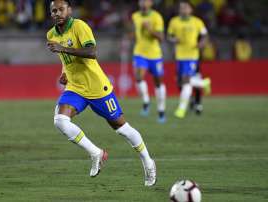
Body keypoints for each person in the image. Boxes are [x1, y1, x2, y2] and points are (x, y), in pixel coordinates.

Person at [46, 0, 156, 186]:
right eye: (53, 11)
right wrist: (64, 73)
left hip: (97, 88)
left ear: (69, 10)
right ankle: (95, 153)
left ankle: (148, 161)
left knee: (123, 129)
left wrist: (64, 48)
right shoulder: (51, 34)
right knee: (60, 121)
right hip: (75, 87)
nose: (57, 13)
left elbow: (92, 52)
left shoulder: (80, 26)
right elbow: (65, 60)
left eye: (61, 9)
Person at [167, 0, 211, 119]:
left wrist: (202, 43)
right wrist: (173, 40)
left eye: (186, 7)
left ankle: (181, 109)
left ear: (191, 10)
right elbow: (169, 36)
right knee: (180, 82)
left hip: (192, 55)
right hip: (179, 56)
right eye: (181, 8)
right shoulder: (174, 22)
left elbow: (205, 35)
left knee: (186, 81)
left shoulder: (197, 22)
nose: (183, 9)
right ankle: (203, 83)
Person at [131, 0, 167, 123]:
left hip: (155, 55)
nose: (143, 3)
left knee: (158, 83)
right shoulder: (135, 16)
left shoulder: (156, 17)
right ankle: (146, 101)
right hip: (140, 53)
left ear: (151, 3)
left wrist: (150, 30)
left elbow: (161, 38)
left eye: (146, 1)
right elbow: (134, 32)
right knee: (139, 77)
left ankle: (161, 110)